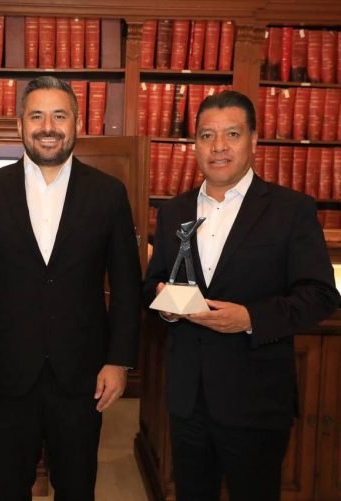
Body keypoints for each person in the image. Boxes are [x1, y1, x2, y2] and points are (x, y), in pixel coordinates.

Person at [0, 76, 141, 500]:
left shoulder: (108, 194)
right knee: (8, 488)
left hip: (83, 375)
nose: (48, 127)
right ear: (20, 124)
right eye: (37, 116)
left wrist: (119, 361)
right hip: (5, 374)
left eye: (60, 115)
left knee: (76, 488)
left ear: (77, 123)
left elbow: (127, 285)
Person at [144, 90, 340, 501]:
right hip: (188, 400)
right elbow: (155, 282)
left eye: (231, 134)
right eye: (206, 135)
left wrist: (251, 318)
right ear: (195, 144)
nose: (218, 146)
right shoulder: (173, 212)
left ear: (254, 140)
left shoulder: (291, 210)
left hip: (255, 402)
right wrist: (166, 305)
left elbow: (321, 294)